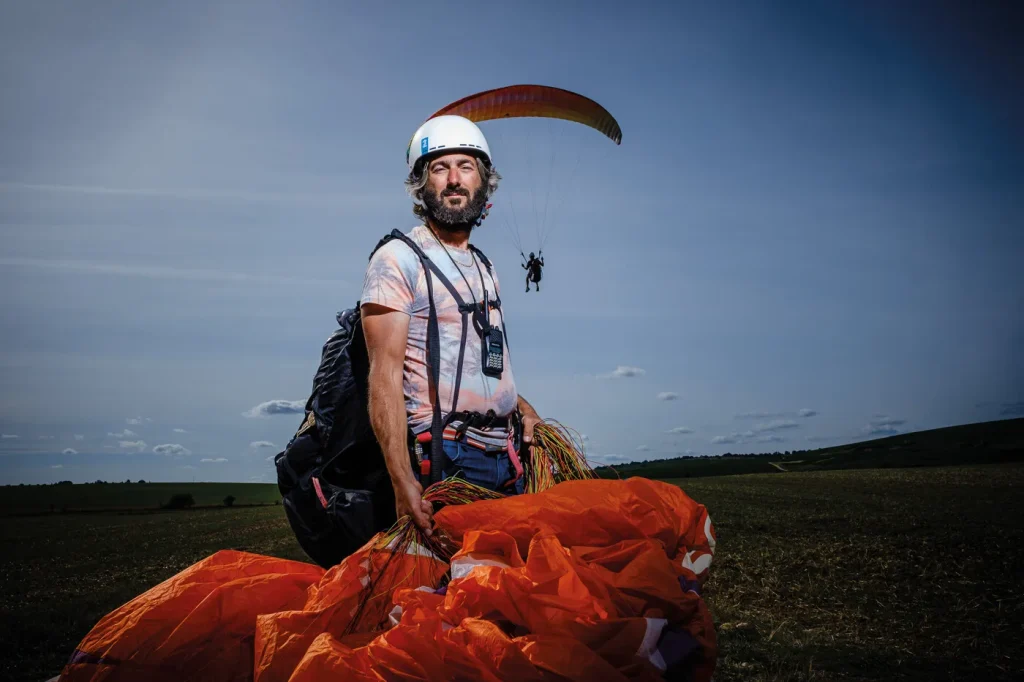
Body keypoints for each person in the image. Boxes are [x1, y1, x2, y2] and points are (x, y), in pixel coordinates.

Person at [359, 115, 543, 537]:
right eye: (440, 168)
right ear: (422, 186)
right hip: (446, 460)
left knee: (510, 590)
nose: (454, 179)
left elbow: (485, 363)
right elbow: (383, 376)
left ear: (484, 183)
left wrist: (526, 411)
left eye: (466, 167)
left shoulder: (485, 266)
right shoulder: (398, 259)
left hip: (509, 456)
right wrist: (401, 478)